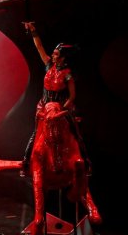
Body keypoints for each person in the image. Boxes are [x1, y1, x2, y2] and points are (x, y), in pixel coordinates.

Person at [20, 22, 89, 176]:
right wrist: (33, 31)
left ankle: (86, 163)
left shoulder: (67, 74)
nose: (53, 55)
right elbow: (39, 47)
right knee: (35, 133)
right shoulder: (48, 64)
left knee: (75, 133)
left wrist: (62, 109)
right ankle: (25, 163)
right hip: (44, 106)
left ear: (63, 58)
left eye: (56, 54)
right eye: (53, 53)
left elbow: (72, 96)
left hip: (60, 107)